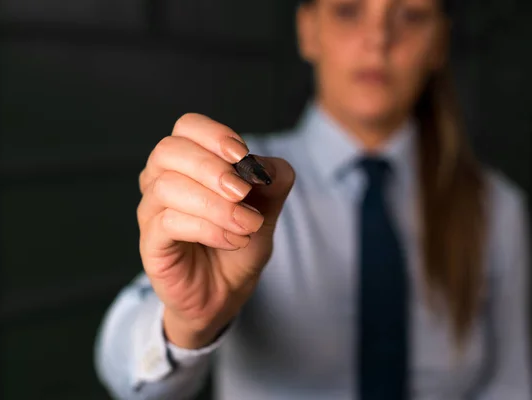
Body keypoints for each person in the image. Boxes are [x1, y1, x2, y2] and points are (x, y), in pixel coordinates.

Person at [94, 0, 530, 398]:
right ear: (308, 30)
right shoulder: (231, 187)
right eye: (348, 11)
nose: (378, 39)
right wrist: (187, 322)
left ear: (439, 42)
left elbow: (511, 383)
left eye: (411, 15)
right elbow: (129, 377)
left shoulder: (497, 209)